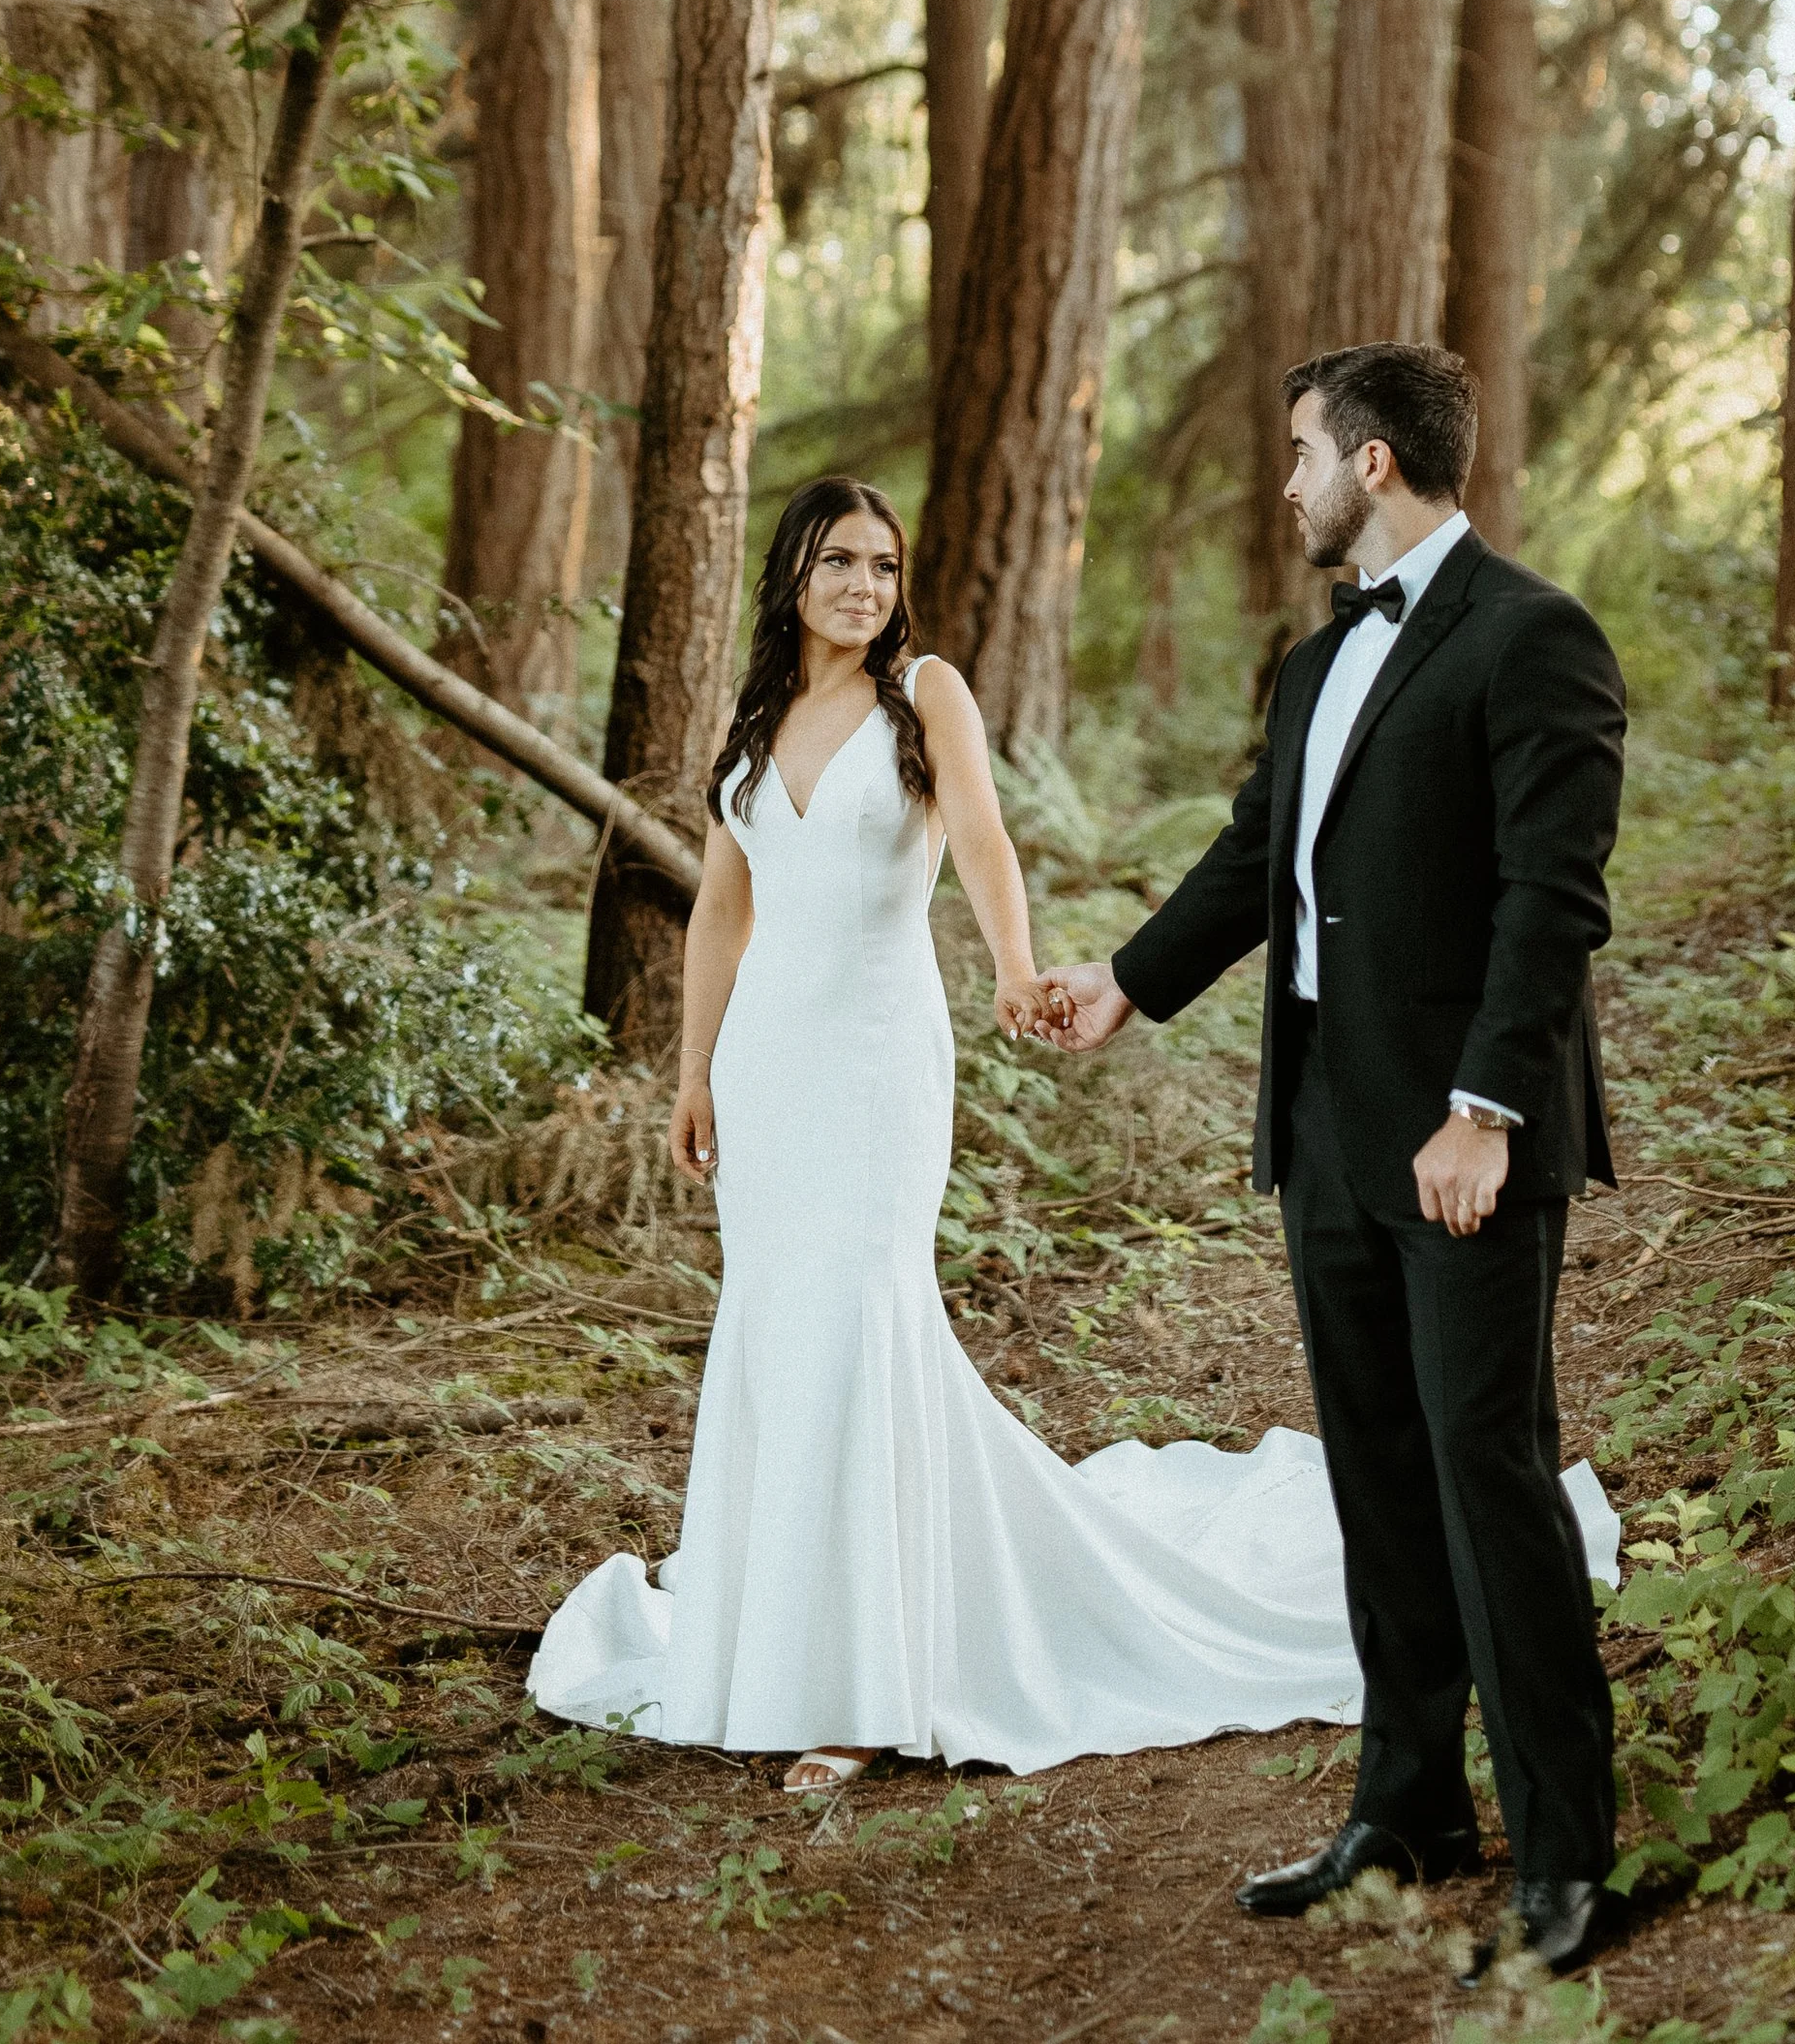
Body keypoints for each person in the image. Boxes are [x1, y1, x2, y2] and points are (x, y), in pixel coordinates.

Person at [529, 473, 1619, 1790]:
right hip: (768, 1064)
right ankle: (768, 1646)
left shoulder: (922, 692)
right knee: (777, 1326)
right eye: (837, 564)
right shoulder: (757, 721)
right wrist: (693, 1072)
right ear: (792, 577)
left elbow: (982, 839)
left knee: (862, 1317)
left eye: (882, 564)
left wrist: (1013, 966)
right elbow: (720, 909)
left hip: (878, 1060)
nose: (863, 586)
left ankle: (871, 1680)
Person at [1044, 343, 1627, 1979]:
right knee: (1374, 1475)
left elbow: (1553, 904)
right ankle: (1413, 1803)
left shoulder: (1534, 636)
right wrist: (1126, 984)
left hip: (1462, 1143)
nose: (1286, 479)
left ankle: (1569, 1855)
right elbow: (1257, 863)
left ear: (1373, 464)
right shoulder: (1317, 669)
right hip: (1324, 1131)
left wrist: (1490, 1110)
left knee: (1488, 1472)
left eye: (1301, 451)